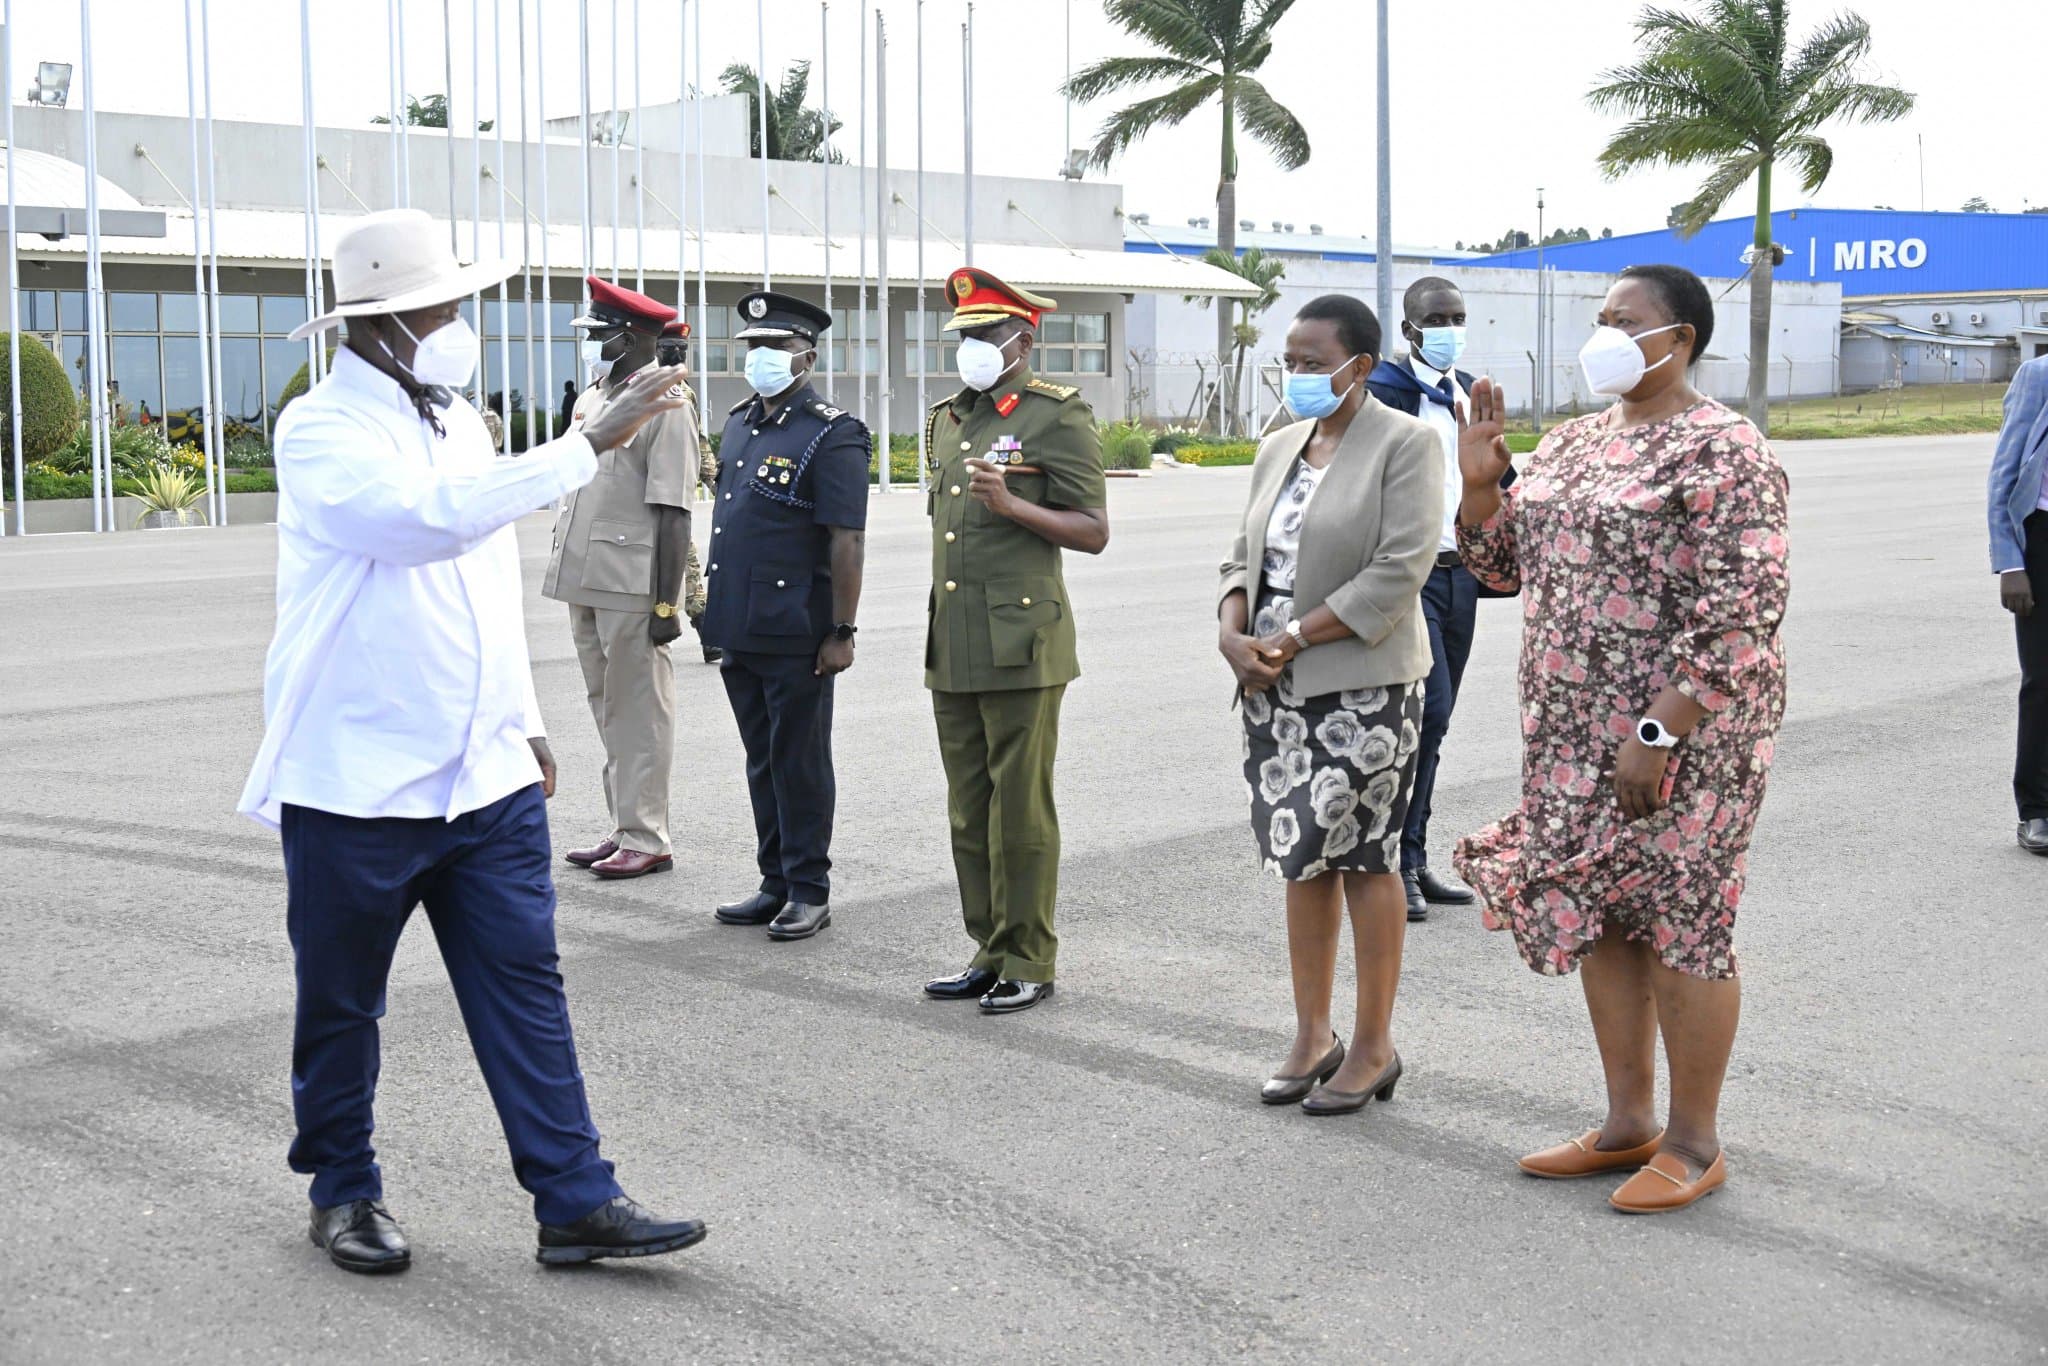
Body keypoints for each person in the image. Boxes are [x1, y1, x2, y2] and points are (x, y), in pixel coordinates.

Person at [237, 208, 703, 1273]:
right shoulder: (320, 429)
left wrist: (523, 720)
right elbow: (421, 524)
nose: (457, 325)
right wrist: (585, 444)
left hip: (480, 773)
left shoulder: (462, 420)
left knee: (524, 985)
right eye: (441, 310)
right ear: (382, 323)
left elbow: (483, 581)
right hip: (357, 778)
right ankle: (343, 1189)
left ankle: (574, 1197)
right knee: (342, 1001)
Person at [1452, 264, 1789, 1213]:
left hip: (1686, 739)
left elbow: (1743, 610)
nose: (1602, 332)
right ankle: (1627, 1121)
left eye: (1622, 319)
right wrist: (1483, 491)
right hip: (1569, 734)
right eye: (1599, 317)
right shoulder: (1570, 442)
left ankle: (1693, 1141)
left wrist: (1658, 730)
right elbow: (1500, 566)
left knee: (1684, 921)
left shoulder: (1723, 448)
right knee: (1602, 911)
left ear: (1676, 339)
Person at [1219, 293, 1440, 1113]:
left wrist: (1294, 637)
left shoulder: (1406, 443)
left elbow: (1399, 568)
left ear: (1360, 362)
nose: (1299, 375)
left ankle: (1374, 1045)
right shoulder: (1279, 446)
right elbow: (1240, 556)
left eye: (1314, 362)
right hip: (1270, 688)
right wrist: (1232, 630)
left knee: (1363, 856)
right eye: (1292, 360)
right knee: (1299, 853)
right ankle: (1313, 1034)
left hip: (1363, 686)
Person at [920, 267, 1110, 1015]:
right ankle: (988, 949)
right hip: (956, 640)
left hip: (1023, 643)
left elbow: (1093, 531)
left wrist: (1014, 506)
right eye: (963, 335)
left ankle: (1029, 955)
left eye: (984, 335)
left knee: (1019, 812)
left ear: (1022, 341)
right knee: (969, 810)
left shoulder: (1053, 417)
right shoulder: (947, 418)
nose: (970, 346)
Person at [699, 291, 870, 942]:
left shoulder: (832, 432)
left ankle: (808, 888)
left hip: (797, 629)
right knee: (761, 759)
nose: (761, 358)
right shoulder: (741, 422)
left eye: (774, 347)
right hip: (740, 622)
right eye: (753, 348)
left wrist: (842, 630)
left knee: (798, 760)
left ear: (807, 354)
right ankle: (774, 880)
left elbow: (846, 541)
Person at [542, 276, 702, 880]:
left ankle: (648, 835)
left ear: (634, 336)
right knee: (608, 707)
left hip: (634, 583)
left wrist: (668, 605)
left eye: (602, 334)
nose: (592, 345)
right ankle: (623, 825)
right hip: (586, 575)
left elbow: (673, 509)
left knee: (641, 711)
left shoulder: (665, 401)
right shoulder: (594, 396)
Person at [1366, 275, 1514, 922]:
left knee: (1438, 721)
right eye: (1437, 318)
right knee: (1428, 710)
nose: (1450, 328)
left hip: (1463, 575)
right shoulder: (1384, 395)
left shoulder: (1467, 392)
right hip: (1411, 574)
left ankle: (1413, 855)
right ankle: (1393, 863)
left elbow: (1501, 479)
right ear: (1409, 330)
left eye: (1458, 316)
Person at [1987, 353, 2048, 855]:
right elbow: (2004, 472)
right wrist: (2010, 562)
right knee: (2043, 679)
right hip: (2042, 541)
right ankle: (2037, 809)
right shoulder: (2040, 375)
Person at [655, 317, 722, 665]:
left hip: (673, 495)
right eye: (669, 349)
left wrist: (719, 484)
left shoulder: (684, 391)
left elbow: (699, 442)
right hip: (642, 494)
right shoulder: (636, 389)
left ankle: (710, 635)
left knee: (687, 564)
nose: (677, 354)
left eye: (682, 349)